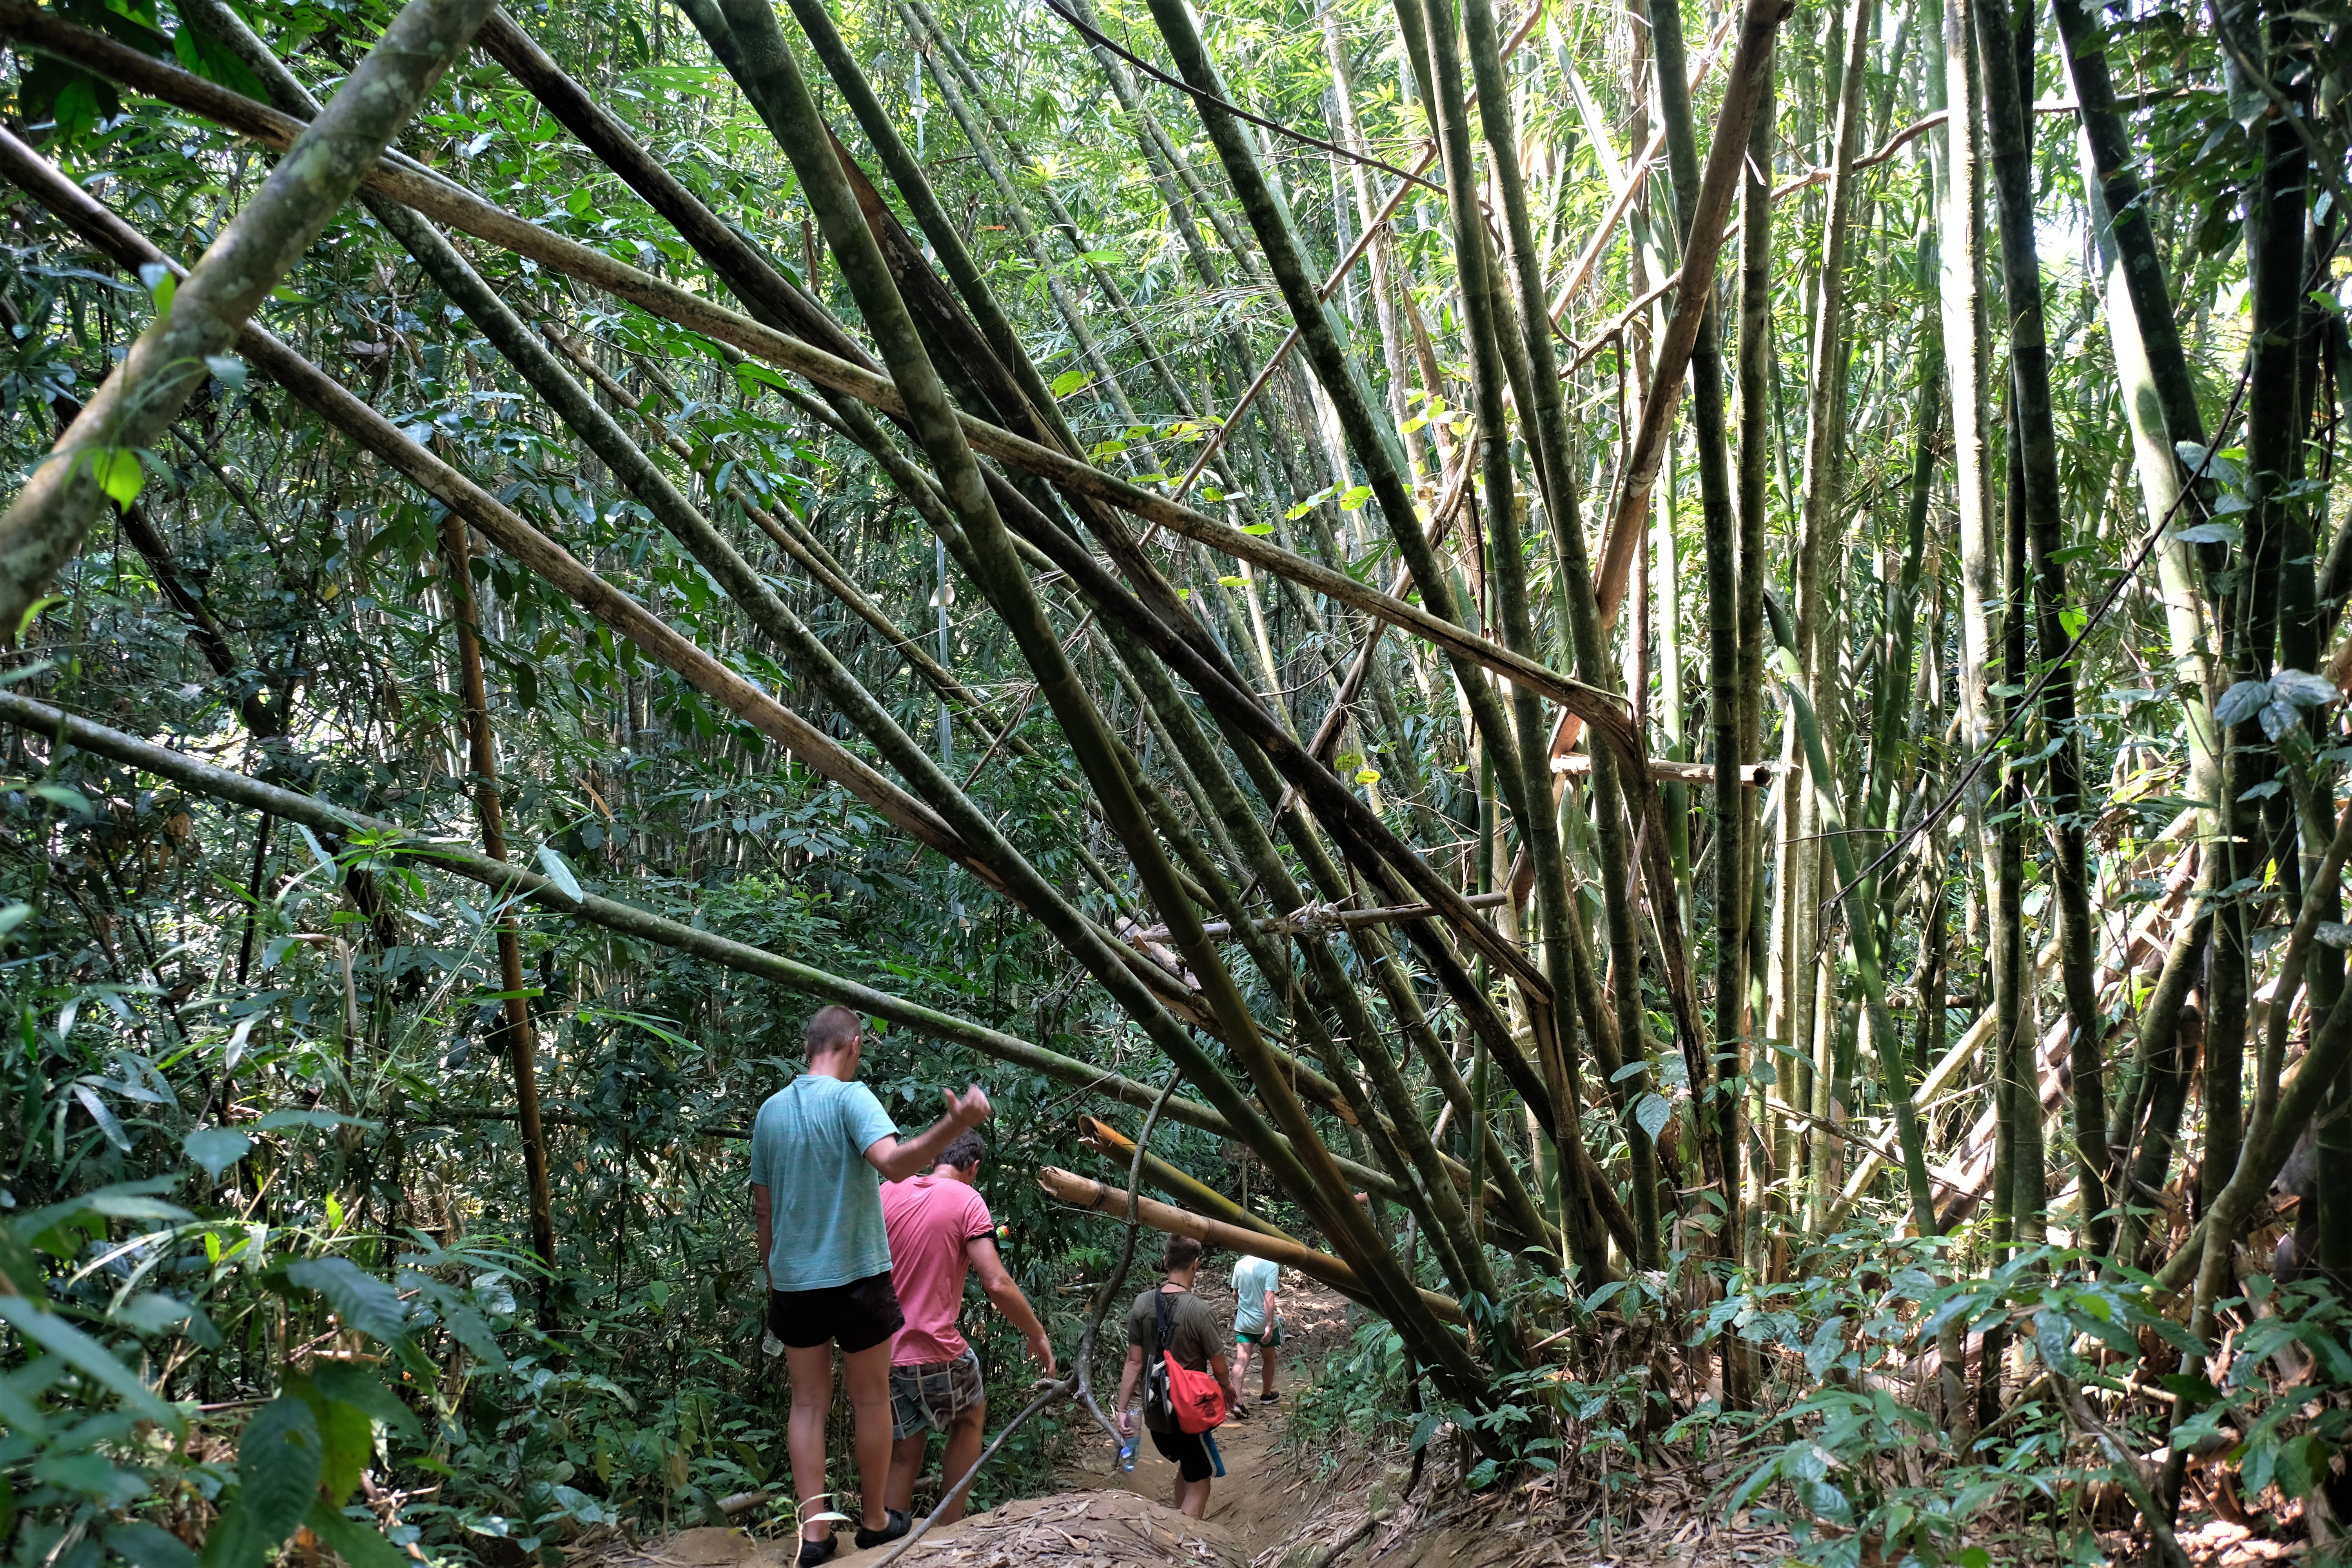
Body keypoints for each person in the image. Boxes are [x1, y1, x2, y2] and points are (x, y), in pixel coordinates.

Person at [751, 1005, 991, 1566]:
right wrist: (956, 1124)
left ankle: (814, 1534)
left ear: (808, 1046)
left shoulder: (770, 1113)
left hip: (794, 1281)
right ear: (853, 1045)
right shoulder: (851, 1098)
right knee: (870, 1398)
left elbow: (764, 1209)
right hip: (857, 1275)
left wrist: (774, 1272)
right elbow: (897, 1164)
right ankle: (877, 1521)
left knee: (808, 1404)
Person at [880, 1128, 1054, 1525]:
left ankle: (891, 1532)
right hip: (933, 1344)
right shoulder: (967, 1199)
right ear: (973, 1167)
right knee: (970, 1416)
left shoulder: (888, 1189)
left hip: (882, 1348)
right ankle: (949, 1528)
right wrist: (1035, 1331)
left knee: (905, 1447)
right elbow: (995, 1281)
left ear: (931, 1158)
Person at [1114, 1236, 1240, 1519]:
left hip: (1157, 1415)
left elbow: (1134, 1362)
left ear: (1165, 1262)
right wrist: (1228, 1389)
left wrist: (1122, 1410)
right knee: (1200, 1485)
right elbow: (1220, 1366)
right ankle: (1179, 1545)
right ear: (1196, 1265)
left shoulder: (1142, 1304)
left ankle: (1177, 1524)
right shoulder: (1200, 1311)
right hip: (1189, 1414)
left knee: (1188, 1467)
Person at [1229, 1253, 1281, 1408]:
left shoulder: (1240, 1264)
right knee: (1269, 1358)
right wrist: (1270, 1324)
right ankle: (1266, 1394)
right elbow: (1269, 1296)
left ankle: (1236, 1400)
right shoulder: (1271, 1266)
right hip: (1262, 1323)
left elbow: (1235, 1293)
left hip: (1243, 1323)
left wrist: (1244, 1309)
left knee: (1242, 1360)